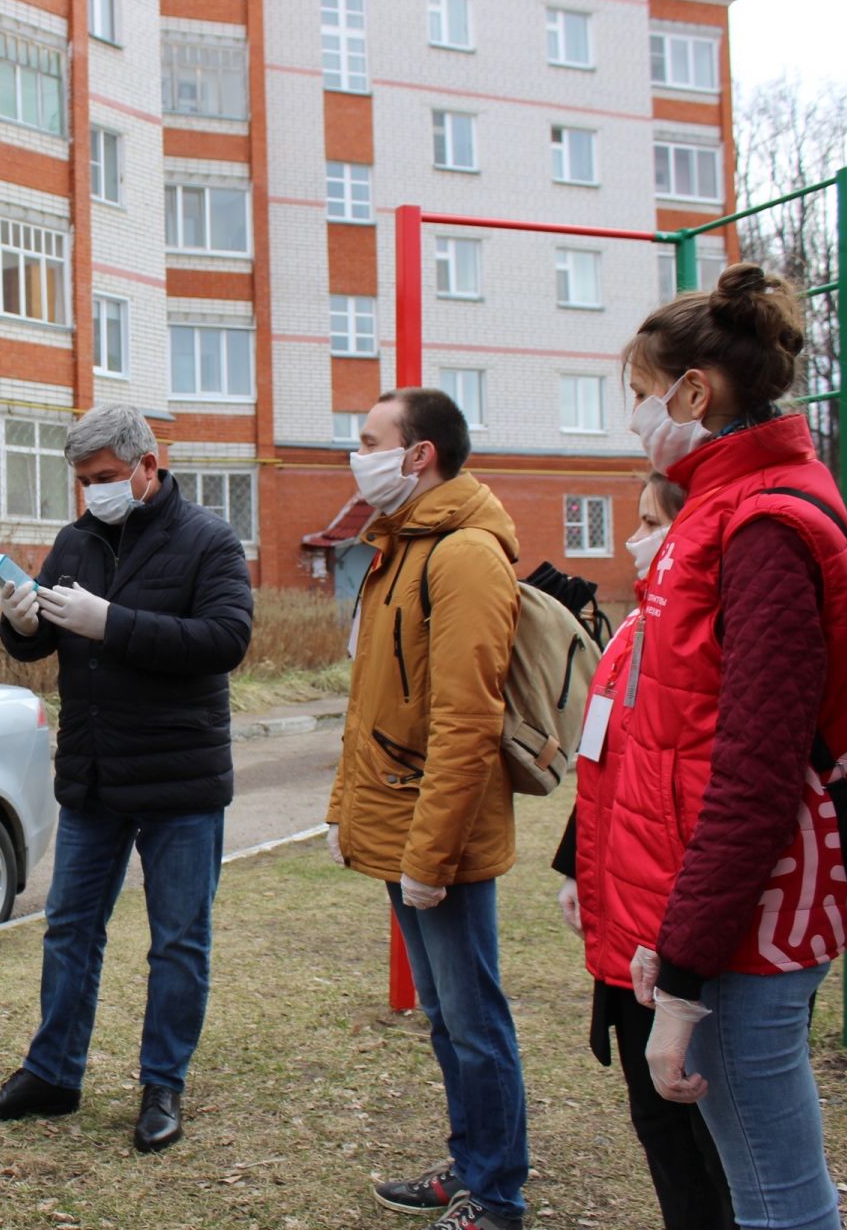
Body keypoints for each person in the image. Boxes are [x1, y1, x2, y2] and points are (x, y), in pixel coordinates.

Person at [609, 265, 847, 1230]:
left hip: (749, 912)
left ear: (694, 391)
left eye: (641, 396)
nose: (636, 419)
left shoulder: (760, 525)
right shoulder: (729, 506)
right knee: (764, 1172)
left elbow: (754, 769)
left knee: (775, 1192)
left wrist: (685, 967)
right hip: (725, 901)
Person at [0, 404, 252, 1153]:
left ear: (148, 465)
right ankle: (53, 1074)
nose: (93, 492)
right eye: (83, 481)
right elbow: (39, 643)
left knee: (178, 939)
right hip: (92, 774)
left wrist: (109, 621)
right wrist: (23, 624)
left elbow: (225, 640)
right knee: (69, 931)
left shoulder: (207, 540)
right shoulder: (75, 541)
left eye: (105, 478)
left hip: (180, 778)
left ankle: (162, 1086)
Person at [326, 387, 528, 1230]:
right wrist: (345, 808)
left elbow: (467, 718)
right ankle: (470, 1166)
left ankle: (499, 1194)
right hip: (399, 820)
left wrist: (429, 856)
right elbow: (371, 701)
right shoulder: (398, 548)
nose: (356, 452)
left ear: (420, 455)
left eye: (370, 439)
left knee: (473, 1020)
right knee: (448, 1019)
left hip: (437, 836)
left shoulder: (463, 555)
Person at [549, 475, 737, 1230]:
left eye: (653, 522)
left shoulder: (711, 632)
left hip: (685, 930)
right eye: (637, 522)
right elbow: (607, 762)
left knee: (713, 1138)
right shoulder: (633, 632)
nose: (637, 538)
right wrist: (574, 867)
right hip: (626, 919)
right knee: (660, 1127)